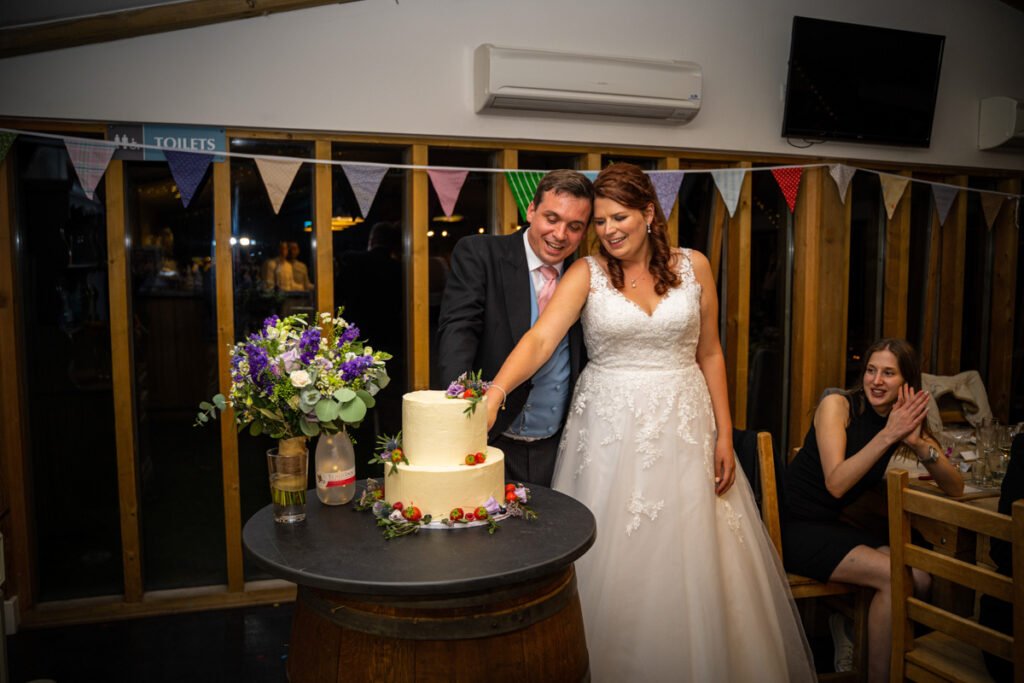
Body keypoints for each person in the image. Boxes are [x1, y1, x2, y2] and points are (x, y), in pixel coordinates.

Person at [484, 163, 816, 681]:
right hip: (609, 433)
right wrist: (497, 390)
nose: (608, 230)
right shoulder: (586, 273)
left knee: (695, 558)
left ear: (649, 213)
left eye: (619, 217)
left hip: (685, 428)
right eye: (598, 221)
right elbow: (541, 339)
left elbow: (710, 354)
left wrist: (724, 433)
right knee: (615, 559)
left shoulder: (694, 266)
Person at [783, 338, 963, 682]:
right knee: (895, 577)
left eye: (888, 373)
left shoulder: (901, 419)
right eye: (871, 370)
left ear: (906, 384)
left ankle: (854, 632)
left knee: (922, 578)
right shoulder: (838, 405)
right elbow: (836, 483)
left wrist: (918, 443)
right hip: (797, 528)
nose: (876, 381)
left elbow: (954, 487)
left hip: (835, 526)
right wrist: (888, 435)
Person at [437, 169, 593, 486]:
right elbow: (459, 330)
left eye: (574, 227)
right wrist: (461, 407)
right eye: (552, 218)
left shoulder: (588, 275)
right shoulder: (481, 254)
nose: (560, 234)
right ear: (531, 210)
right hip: (492, 438)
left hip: (561, 444)